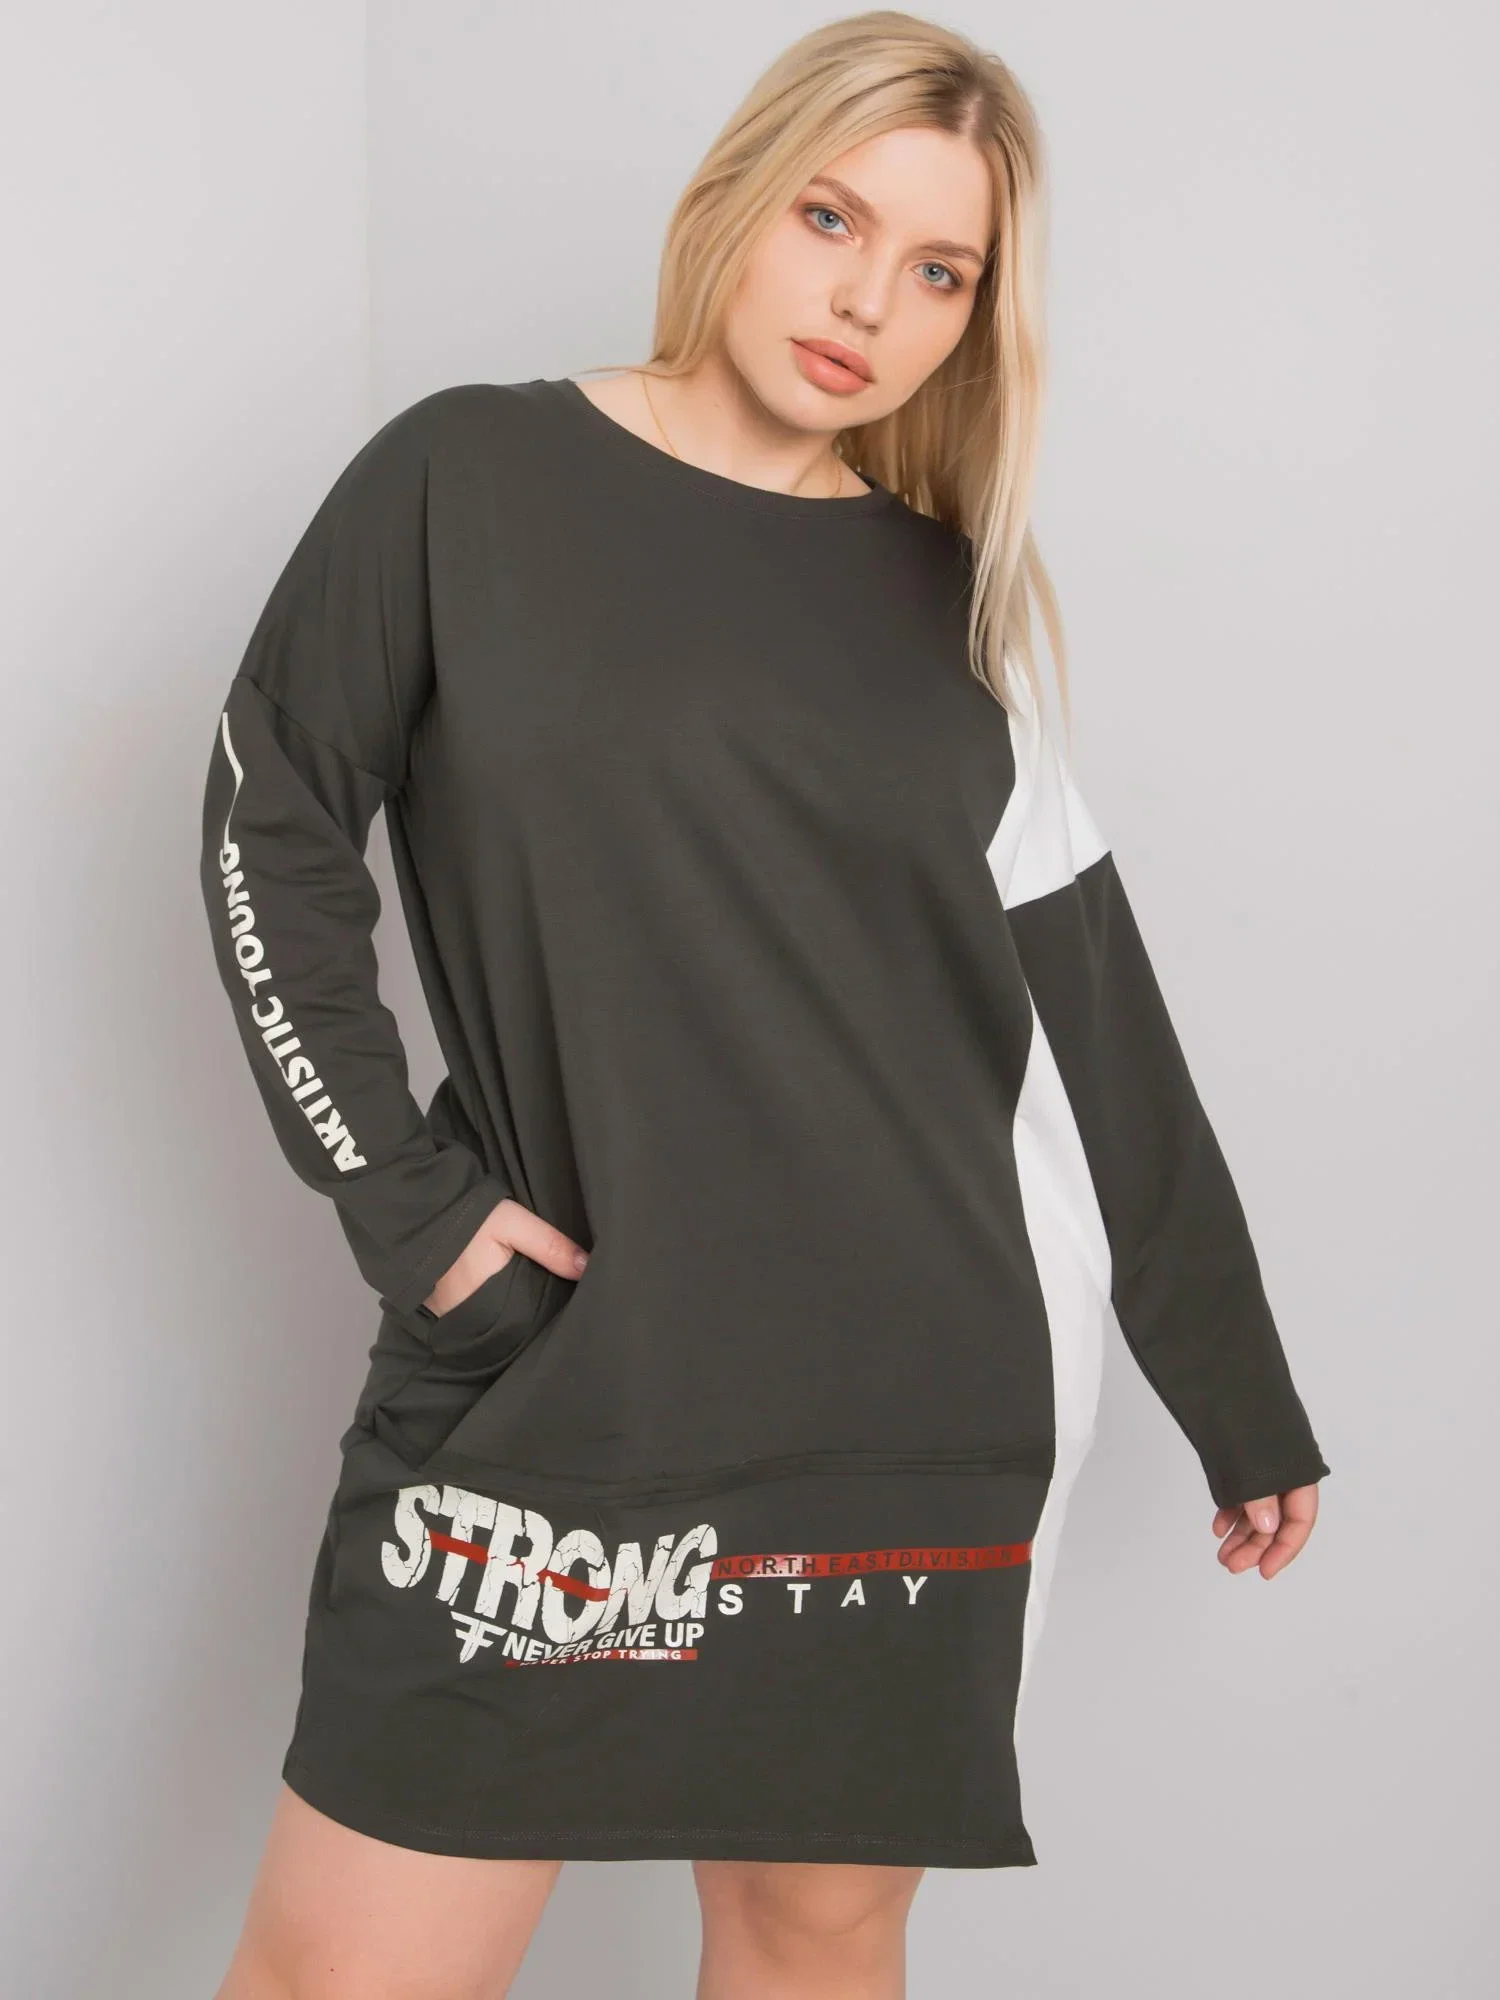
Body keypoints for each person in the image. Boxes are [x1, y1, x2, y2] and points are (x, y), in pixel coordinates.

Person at [201, 10, 1330, 1997]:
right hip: (562, 1371)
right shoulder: (465, 476)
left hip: (899, 1399)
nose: (869, 301)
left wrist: (1235, 1391)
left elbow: (1098, 1026)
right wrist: (412, 1207)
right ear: (738, 192)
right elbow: (266, 824)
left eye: (940, 271)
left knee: (812, 1940)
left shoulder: (950, 605)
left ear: (974, 323)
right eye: (833, 218)